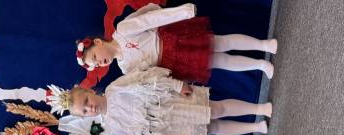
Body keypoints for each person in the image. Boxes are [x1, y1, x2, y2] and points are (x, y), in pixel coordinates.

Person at [45, 69, 271, 135]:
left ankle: (258, 109)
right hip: (170, 128)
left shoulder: (116, 88)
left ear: (90, 91)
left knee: (216, 108)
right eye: (85, 111)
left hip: (173, 104)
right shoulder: (110, 127)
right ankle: (255, 127)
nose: (90, 108)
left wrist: (175, 85)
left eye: (86, 101)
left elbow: (147, 80)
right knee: (213, 129)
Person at [76, 3, 276, 82]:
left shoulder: (123, 30)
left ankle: (264, 45)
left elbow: (150, 19)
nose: (99, 62)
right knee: (220, 62)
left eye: (95, 56)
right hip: (173, 61)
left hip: (173, 39)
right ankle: (260, 65)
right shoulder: (125, 68)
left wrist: (181, 12)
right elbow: (152, 76)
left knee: (220, 43)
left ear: (98, 42)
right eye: (96, 65)